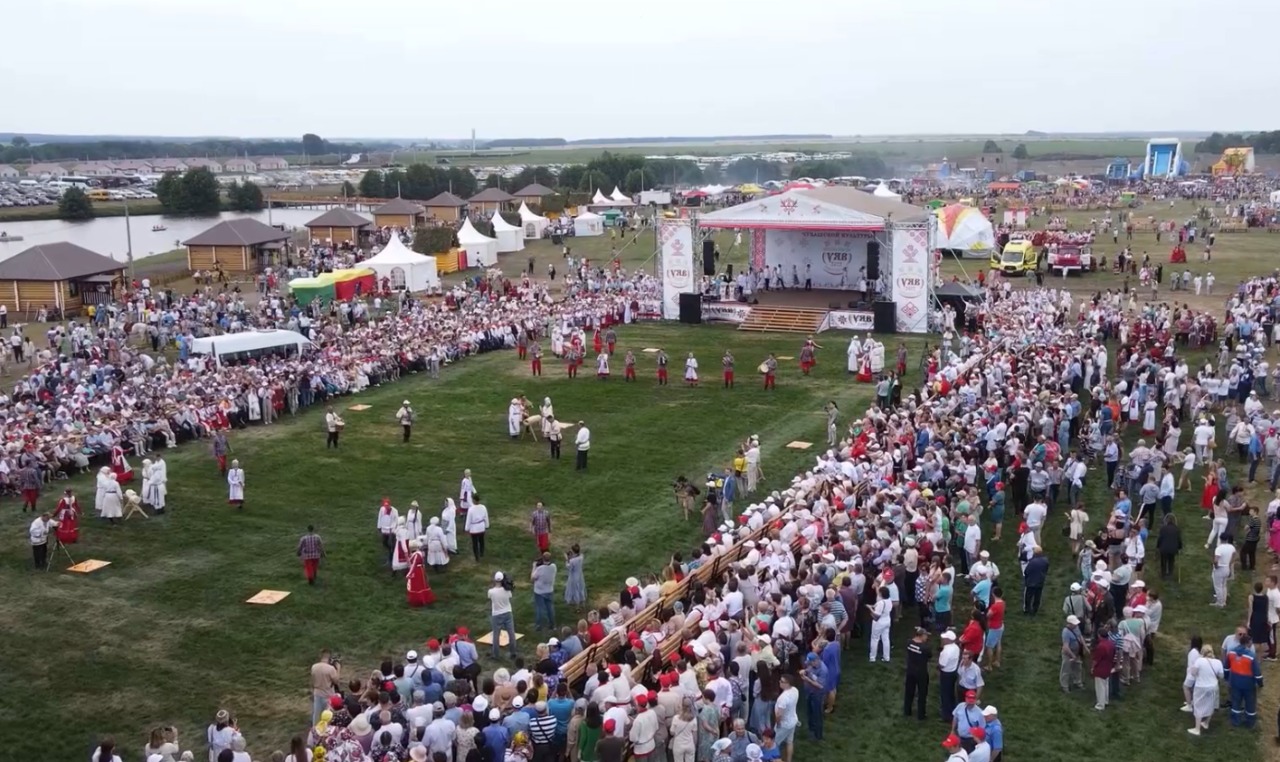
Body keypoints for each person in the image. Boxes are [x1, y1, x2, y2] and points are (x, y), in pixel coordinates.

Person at [1189, 645, 1223, 735]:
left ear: (1202, 653)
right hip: (1213, 686)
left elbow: (1193, 673)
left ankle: (1197, 729)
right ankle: (1206, 723)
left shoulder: (1199, 661)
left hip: (1201, 686)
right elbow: (1221, 675)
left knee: (1198, 706)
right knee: (1211, 705)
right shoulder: (1218, 662)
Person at [904, 626, 932, 720]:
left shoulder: (909, 643)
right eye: (925, 635)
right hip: (921, 673)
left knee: (909, 692)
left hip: (910, 671)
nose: (927, 637)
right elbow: (929, 656)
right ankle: (921, 714)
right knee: (922, 694)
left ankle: (907, 711)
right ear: (921, 635)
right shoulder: (925, 648)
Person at [489, 572, 519, 659]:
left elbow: (490, 597)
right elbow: (510, 596)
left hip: (496, 614)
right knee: (511, 633)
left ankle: (496, 654)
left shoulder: (491, 592)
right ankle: (513, 652)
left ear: (495, 580)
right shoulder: (507, 590)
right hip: (507, 613)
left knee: (496, 635)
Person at [310, 651, 341, 725]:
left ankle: (315, 729)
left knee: (316, 714)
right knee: (328, 716)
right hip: (328, 694)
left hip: (317, 693)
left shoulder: (314, 667)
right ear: (329, 658)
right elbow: (336, 681)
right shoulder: (331, 669)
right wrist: (338, 669)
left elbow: (312, 680)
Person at [531, 552, 558, 631]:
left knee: (540, 609)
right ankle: (552, 625)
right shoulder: (553, 567)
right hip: (549, 590)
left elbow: (532, 578)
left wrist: (534, 567)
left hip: (539, 592)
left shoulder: (540, 569)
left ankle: (539, 626)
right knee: (550, 608)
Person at [406, 540, 436, 607]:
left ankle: (419, 600)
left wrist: (409, 574)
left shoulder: (416, 555)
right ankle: (423, 599)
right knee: (420, 584)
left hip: (417, 571)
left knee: (417, 585)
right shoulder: (417, 554)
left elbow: (414, 565)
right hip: (419, 570)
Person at [465, 496, 491, 562]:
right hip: (481, 527)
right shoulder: (483, 507)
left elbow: (468, 520)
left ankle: (477, 557)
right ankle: (481, 552)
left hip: (474, 529)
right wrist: (487, 525)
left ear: (474, 500)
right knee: (481, 541)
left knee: (475, 543)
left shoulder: (471, 509)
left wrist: (467, 528)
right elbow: (486, 517)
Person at [565, 544, 587, 610]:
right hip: (580, 574)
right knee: (580, 587)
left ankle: (577, 605)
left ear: (573, 551)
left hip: (574, 576)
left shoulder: (572, 561)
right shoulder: (581, 556)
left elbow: (569, 568)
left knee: (575, 589)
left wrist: (567, 560)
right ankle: (583, 602)